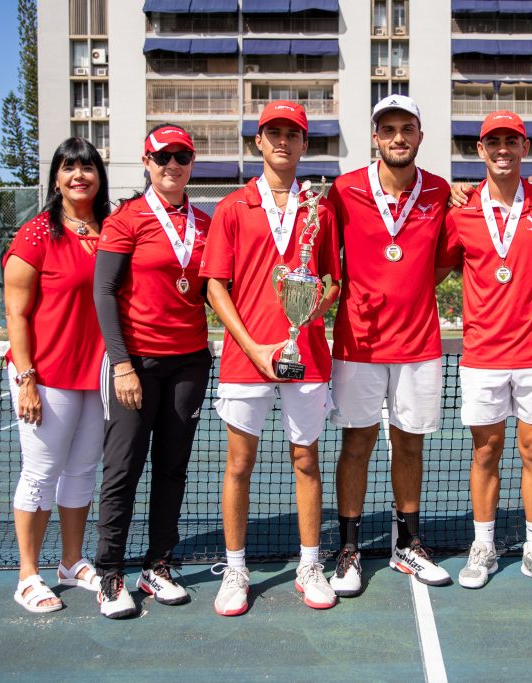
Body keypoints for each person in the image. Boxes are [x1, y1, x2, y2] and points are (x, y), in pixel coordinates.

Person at [202, 101, 342, 615]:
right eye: (273, 132)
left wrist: (309, 312)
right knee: (239, 464)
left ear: (305, 144)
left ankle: (309, 564)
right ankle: (235, 568)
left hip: (306, 355)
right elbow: (216, 287)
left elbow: (332, 280)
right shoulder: (233, 208)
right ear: (258, 142)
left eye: (293, 133)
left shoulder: (319, 210)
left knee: (306, 460)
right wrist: (254, 345)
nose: (283, 141)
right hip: (247, 359)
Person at [325, 95, 453, 596]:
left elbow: (441, 263)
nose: (398, 137)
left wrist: (411, 286)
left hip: (419, 343)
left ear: (420, 136)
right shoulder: (343, 190)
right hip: (357, 342)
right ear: (375, 137)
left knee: (410, 443)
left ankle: (407, 543)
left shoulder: (441, 192)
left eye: (407, 128)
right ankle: (350, 548)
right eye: (388, 129)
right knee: (356, 444)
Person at [442, 111, 532, 592]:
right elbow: (436, 268)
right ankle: (484, 545)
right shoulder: (461, 211)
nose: (501, 149)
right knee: (486, 452)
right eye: (492, 141)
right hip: (481, 356)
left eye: (510, 141)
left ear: (524, 148)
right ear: (480, 149)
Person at [92, 124, 212, 619]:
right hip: (137, 364)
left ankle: (158, 565)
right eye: (162, 157)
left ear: (191, 163)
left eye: (181, 157)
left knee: (172, 470)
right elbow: (103, 292)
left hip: (190, 363)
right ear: (146, 162)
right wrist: (121, 364)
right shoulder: (126, 219)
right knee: (122, 470)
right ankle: (109, 574)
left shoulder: (205, 222)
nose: (172, 165)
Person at [3, 138, 111, 613]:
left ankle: (71, 562)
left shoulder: (111, 230)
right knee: (41, 475)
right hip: (45, 376)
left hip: (97, 376)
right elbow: (16, 311)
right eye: (69, 168)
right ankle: (28, 575)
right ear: (56, 179)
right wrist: (27, 378)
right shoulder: (35, 234)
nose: (79, 175)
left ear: (99, 176)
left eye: (88, 167)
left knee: (83, 473)